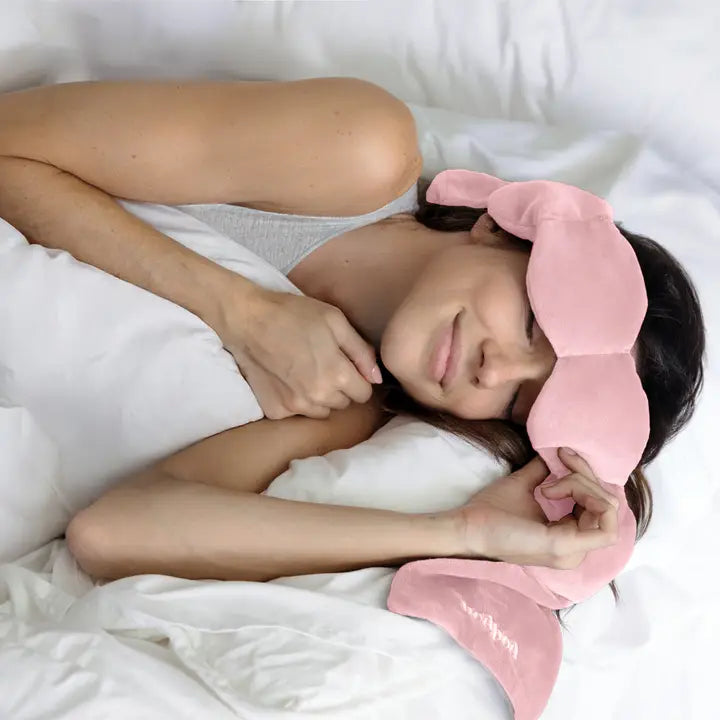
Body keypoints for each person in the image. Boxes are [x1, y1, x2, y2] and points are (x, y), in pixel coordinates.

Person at [0, 78, 704, 582]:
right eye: (530, 324)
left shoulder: (344, 411)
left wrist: (463, 534)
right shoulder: (359, 151)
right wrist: (241, 312)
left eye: (519, 401)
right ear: (499, 230)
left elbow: (112, 532)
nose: (494, 370)